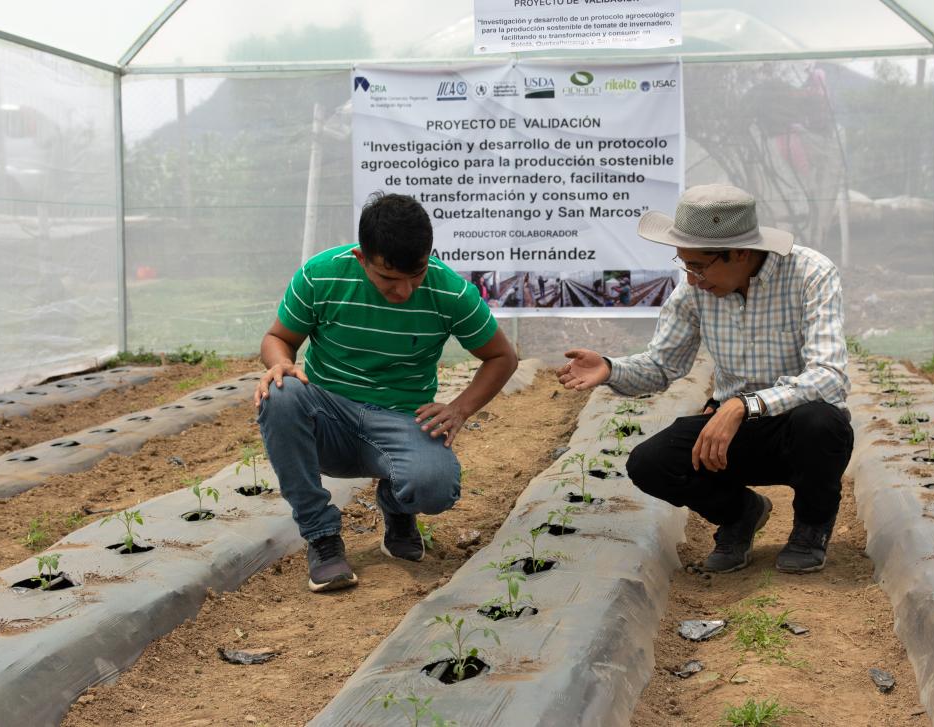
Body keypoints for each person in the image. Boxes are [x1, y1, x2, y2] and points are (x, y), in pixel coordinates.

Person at [557, 184, 853, 575]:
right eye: (685, 266)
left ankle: (811, 526)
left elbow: (829, 376)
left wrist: (744, 404)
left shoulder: (810, 274)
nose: (693, 279)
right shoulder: (694, 291)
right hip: (732, 432)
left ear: (741, 253)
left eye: (699, 266)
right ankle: (740, 514)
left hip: (796, 429)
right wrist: (611, 369)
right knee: (650, 463)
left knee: (821, 422)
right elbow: (663, 365)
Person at [254, 192, 518, 593]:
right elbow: (278, 337)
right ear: (363, 258)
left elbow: (501, 356)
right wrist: (280, 362)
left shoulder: (451, 293)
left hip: (400, 420)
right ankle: (322, 538)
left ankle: (397, 507)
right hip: (331, 417)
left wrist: (460, 409)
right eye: (389, 279)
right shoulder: (321, 275)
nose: (405, 291)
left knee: (435, 486)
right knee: (281, 392)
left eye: (417, 274)